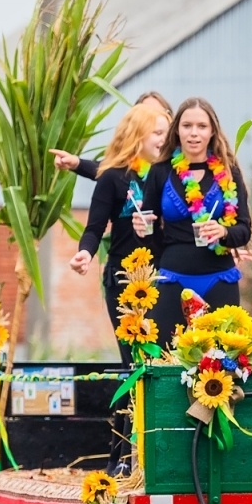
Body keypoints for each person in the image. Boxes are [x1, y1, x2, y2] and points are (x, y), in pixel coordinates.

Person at [141, 97, 252, 344]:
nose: (194, 133)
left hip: (219, 279)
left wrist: (223, 232)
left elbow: (244, 230)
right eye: (187, 126)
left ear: (212, 131)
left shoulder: (229, 171)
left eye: (201, 126)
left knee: (222, 358)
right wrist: (141, 229)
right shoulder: (160, 171)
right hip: (172, 278)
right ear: (177, 130)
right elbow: (149, 230)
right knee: (166, 357)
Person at [67, 100, 169, 362]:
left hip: (164, 275)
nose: (164, 139)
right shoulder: (113, 177)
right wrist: (85, 253)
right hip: (123, 278)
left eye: (167, 134)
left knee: (165, 356)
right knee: (134, 358)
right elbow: (94, 229)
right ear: (138, 135)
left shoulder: (171, 176)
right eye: (158, 133)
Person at [49, 91, 173, 178]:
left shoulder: (178, 156)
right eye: (145, 112)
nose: (154, 117)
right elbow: (108, 169)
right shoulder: (125, 166)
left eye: (160, 112)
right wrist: (76, 163)